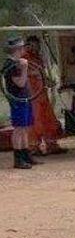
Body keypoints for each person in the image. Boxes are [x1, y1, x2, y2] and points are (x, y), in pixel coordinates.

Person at [24, 36, 66, 155]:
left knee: (48, 119)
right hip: (32, 95)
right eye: (32, 45)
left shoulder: (38, 59)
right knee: (35, 121)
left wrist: (49, 82)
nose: (35, 48)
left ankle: (51, 144)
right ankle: (34, 146)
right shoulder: (24, 59)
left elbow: (41, 75)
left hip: (42, 93)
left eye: (37, 46)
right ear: (28, 45)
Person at [2, 37, 39, 169]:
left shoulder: (17, 63)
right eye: (22, 47)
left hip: (24, 99)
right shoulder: (11, 65)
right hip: (18, 100)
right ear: (17, 49)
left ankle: (25, 155)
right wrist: (24, 68)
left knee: (24, 128)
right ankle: (18, 159)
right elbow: (20, 83)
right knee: (18, 129)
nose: (24, 49)